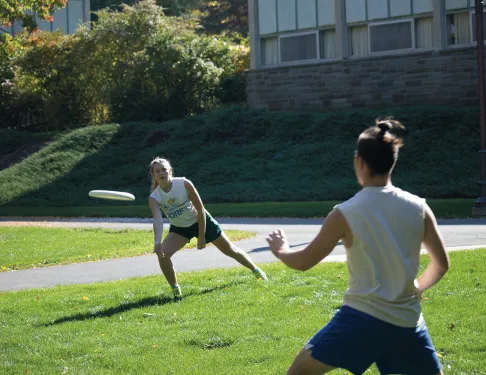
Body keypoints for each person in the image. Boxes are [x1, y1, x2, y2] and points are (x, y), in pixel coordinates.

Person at [266, 119, 450, 375]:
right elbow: (441, 265)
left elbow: (303, 262)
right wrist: (418, 286)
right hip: (407, 324)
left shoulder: (345, 213)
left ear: (359, 161)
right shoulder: (419, 208)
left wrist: (280, 249)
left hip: (360, 321)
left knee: (298, 373)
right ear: (392, 162)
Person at [148, 157, 268, 302]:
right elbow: (158, 220)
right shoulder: (154, 197)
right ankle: (176, 290)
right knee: (163, 255)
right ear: (153, 174)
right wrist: (157, 242)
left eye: (164, 169)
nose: (162, 172)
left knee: (230, 249)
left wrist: (201, 235)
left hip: (201, 221)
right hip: (180, 228)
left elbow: (200, 210)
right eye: (158, 171)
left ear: (170, 171)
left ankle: (256, 271)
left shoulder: (184, 184)